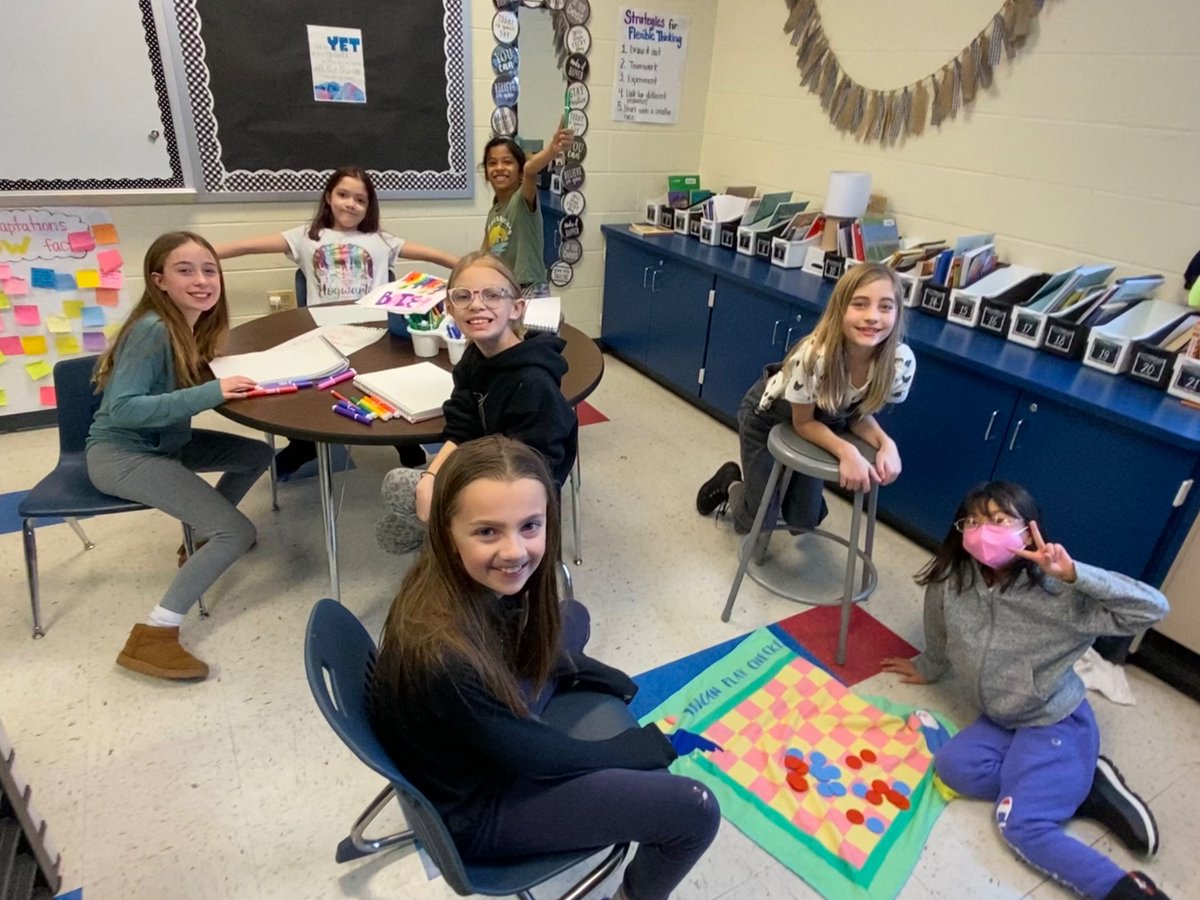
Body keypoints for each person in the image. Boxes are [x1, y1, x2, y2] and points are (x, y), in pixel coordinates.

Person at [370, 436, 721, 900]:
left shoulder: (447, 582)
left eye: (530, 526)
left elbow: (514, 645)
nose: (515, 551)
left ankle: (564, 670)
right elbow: (539, 756)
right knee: (695, 812)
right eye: (487, 532)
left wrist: (590, 672)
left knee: (573, 616)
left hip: (482, 734)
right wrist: (640, 748)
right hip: (483, 804)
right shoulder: (444, 657)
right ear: (446, 532)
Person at [881, 482, 1170, 900]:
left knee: (1021, 825)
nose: (984, 532)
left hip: (1054, 719)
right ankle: (1078, 783)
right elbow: (938, 621)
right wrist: (930, 665)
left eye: (999, 521)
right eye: (974, 522)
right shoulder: (956, 576)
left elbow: (1153, 607)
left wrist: (1073, 574)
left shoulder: (1061, 593)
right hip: (1003, 718)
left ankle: (1126, 890)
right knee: (951, 767)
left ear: (1028, 528)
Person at [87, 231, 273, 682]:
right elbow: (125, 410)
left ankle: (200, 542)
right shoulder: (152, 329)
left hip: (164, 440)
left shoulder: (185, 326)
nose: (202, 280)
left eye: (210, 270)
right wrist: (212, 392)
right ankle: (155, 634)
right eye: (184, 270)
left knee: (253, 454)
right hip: (123, 453)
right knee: (238, 532)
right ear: (159, 280)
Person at [216, 166, 459, 474]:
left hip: (375, 331)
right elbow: (249, 246)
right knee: (299, 381)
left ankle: (404, 439)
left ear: (369, 207)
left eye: (360, 199)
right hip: (324, 332)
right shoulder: (306, 237)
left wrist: (468, 266)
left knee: (394, 375)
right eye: (343, 195)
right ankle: (304, 445)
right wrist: (204, 254)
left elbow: (433, 254)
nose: (350, 204)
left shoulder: (381, 241)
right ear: (328, 197)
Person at [376, 252, 577, 555]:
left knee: (398, 490)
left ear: (516, 308)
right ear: (449, 308)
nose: (477, 304)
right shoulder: (474, 357)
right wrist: (431, 477)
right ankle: (452, 556)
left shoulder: (533, 383)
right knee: (395, 524)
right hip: (482, 465)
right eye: (463, 296)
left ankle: (477, 568)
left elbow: (535, 475)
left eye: (493, 295)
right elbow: (462, 425)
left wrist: (461, 495)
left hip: (518, 494)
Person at [697, 262, 914, 535]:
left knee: (804, 520)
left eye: (885, 306)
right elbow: (804, 424)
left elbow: (856, 414)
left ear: (897, 312)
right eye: (860, 304)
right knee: (758, 521)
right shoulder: (815, 356)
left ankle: (780, 491)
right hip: (768, 417)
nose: (872, 316)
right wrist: (847, 451)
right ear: (840, 310)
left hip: (823, 422)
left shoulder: (897, 361)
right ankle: (730, 483)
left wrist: (886, 444)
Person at [481, 123, 573, 294]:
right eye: (492, 163)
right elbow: (485, 255)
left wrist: (552, 149)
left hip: (530, 288)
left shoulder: (523, 199)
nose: (499, 167)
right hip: (505, 288)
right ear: (486, 173)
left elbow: (530, 170)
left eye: (507, 162)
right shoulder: (494, 212)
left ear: (520, 172)